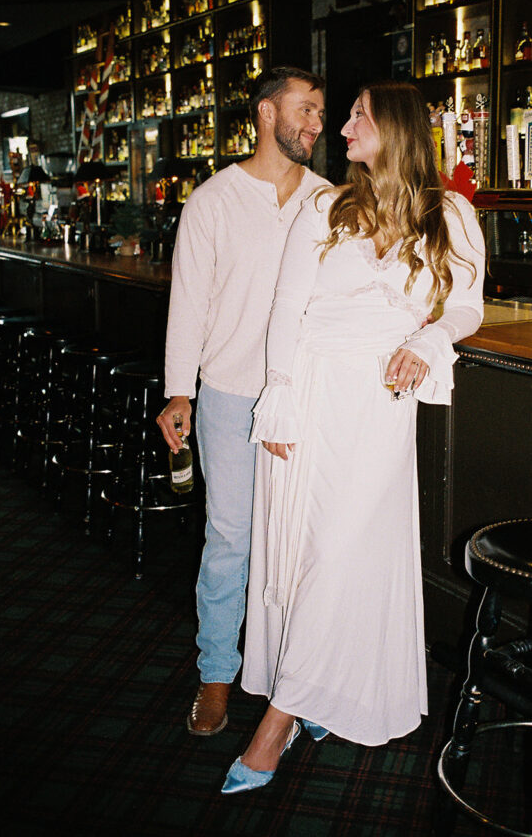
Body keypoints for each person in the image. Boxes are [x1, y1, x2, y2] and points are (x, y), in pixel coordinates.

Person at [222, 80, 485, 793]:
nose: (341, 128)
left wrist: (429, 342)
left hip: (379, 399)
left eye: (358, 116)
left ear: (395, 127)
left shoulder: (452, 214)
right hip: (309, 390)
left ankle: (276, 723)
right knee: (308, 554)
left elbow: (466, 306)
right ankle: (318, 693)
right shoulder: (326, 205)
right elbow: (286, 310)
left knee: (339, 553)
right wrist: (277, 399)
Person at [156, 66, 327, 737]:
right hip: (227, 395)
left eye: (321, 112)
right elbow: (188, 303)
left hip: (304, 400)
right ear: (265, 113)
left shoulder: (328, 201)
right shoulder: (214, 200)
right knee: (230, 540)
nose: (316, 123)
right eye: (305, 109)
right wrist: (179, 393)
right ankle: (216, 676)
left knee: (299, 546)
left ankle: (299, 682)